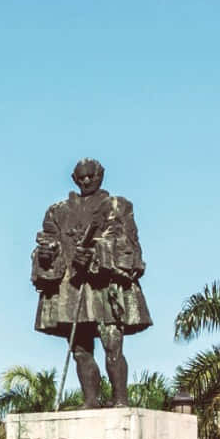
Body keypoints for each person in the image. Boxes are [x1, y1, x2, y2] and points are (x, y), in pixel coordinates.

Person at [31, 158, 152, 407]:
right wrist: (46, 254)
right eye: (82, 177)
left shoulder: (118, 205)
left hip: (103, 286)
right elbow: (48, 242)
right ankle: (90, 400)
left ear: (101, 176)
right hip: (72, 286)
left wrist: (97, 255)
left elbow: (128, 242)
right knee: (80, 350)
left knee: (112, 343)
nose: (87, 181)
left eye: (91, 177)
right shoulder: (58, 211)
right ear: (75, 179)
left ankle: (120, 399)